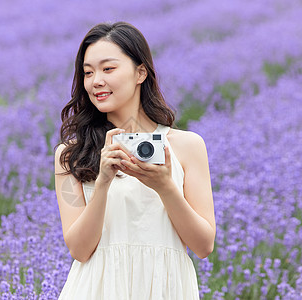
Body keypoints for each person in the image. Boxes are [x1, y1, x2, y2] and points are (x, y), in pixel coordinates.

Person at [54, 21, 216, 300]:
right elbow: (79, 250)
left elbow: (203, 246)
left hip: (165, 288)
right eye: (88, 72)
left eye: (108, 69)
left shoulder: (186, 146)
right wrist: (102, 182)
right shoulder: (71, 154)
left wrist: (165, 187)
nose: (96, 81)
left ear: (140, 72)